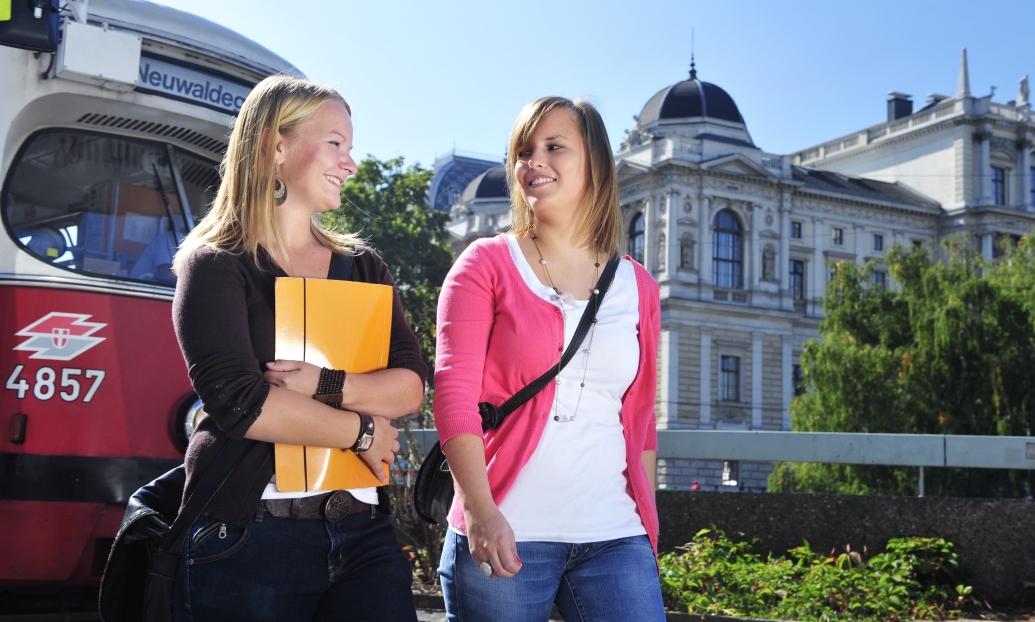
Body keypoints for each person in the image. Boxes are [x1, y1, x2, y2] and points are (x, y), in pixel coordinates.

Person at [170, 76, 426, 622]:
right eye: (336, 144)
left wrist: (324, 384)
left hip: (363, 535)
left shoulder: (363, 267)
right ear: (275, 145)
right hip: (247, 537)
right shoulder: (214, 263)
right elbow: (241, 402)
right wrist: (362, 429)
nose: (350, 163)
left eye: (350, 148)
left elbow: (410, 385)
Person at [433, 96, 665, 622]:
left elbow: (641, 422)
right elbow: (453, 394)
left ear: (595, 164)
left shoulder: (638, 285)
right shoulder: (485, 263)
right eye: (523, 150)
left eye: (554, 147)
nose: (533, 161)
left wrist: (648, 524)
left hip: (615, 535)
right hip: (508, 530)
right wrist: (478, 509)